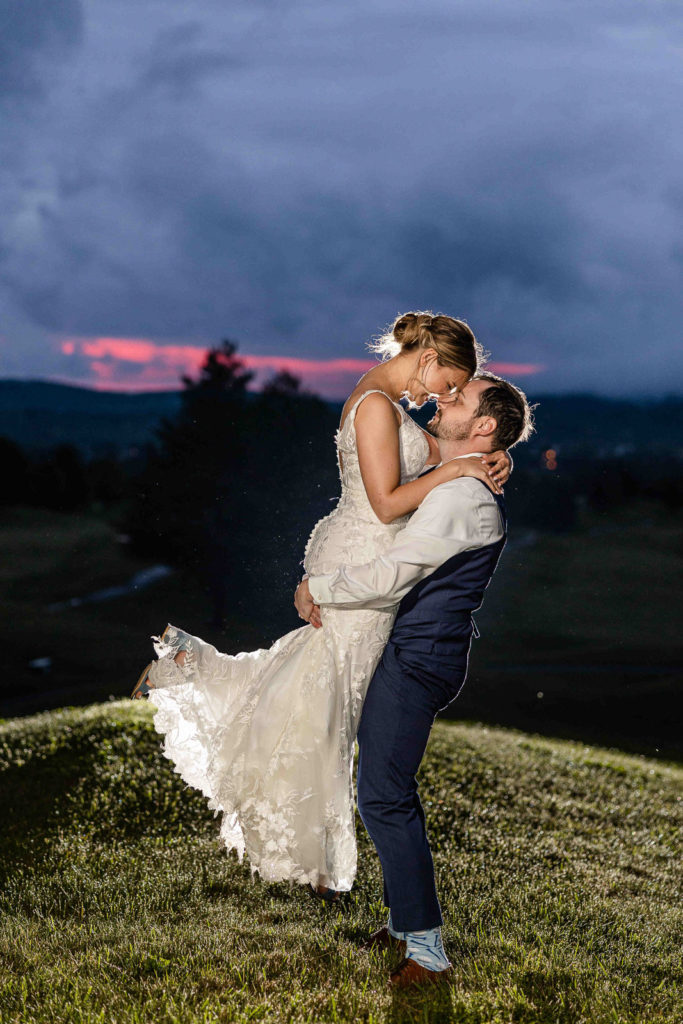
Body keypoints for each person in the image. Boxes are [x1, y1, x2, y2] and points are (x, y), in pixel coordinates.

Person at [130, 311, 512, 897]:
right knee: (329, 706)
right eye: (450, 383)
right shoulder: (378, 405)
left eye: (457, 392)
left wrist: (483, 457)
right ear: (430, 360)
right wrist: (458, 467)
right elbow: (387, 505)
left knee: (319, 691)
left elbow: (438, 451)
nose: (446, 395)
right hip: (365, 553)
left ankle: (189, 664)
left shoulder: (387, 403)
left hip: (356, 553)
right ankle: (318, 868)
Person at [295, 372, 534, 986]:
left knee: (384, 794)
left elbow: (391, 576)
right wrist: (480, 458)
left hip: (419, 658)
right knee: (381, 786)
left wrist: (315, 588)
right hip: (413, 650)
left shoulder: (464, 499)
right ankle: (404, 926)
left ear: (483, 425)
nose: (445, 398)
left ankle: (428, 950)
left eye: (461, 397)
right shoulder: (463, 480)